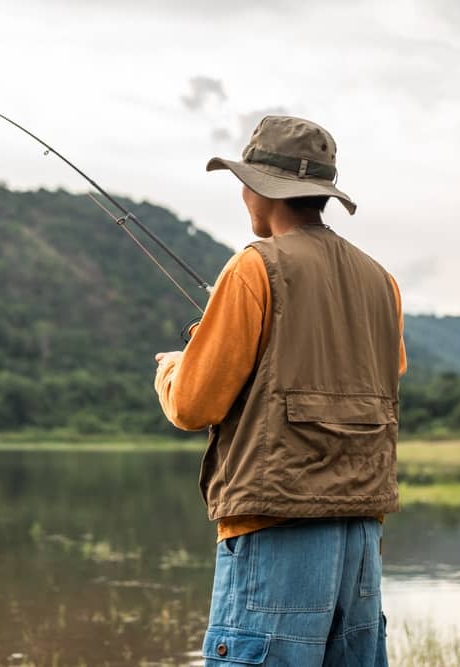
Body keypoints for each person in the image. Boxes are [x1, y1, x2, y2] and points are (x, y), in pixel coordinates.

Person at [154, 115, 407, 667]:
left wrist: (174, 366)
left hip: (277, 527)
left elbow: (194, 405)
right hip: (360, 536)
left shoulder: (254, 268)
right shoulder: (381, 281)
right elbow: (383, 373)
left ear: (260, 189)